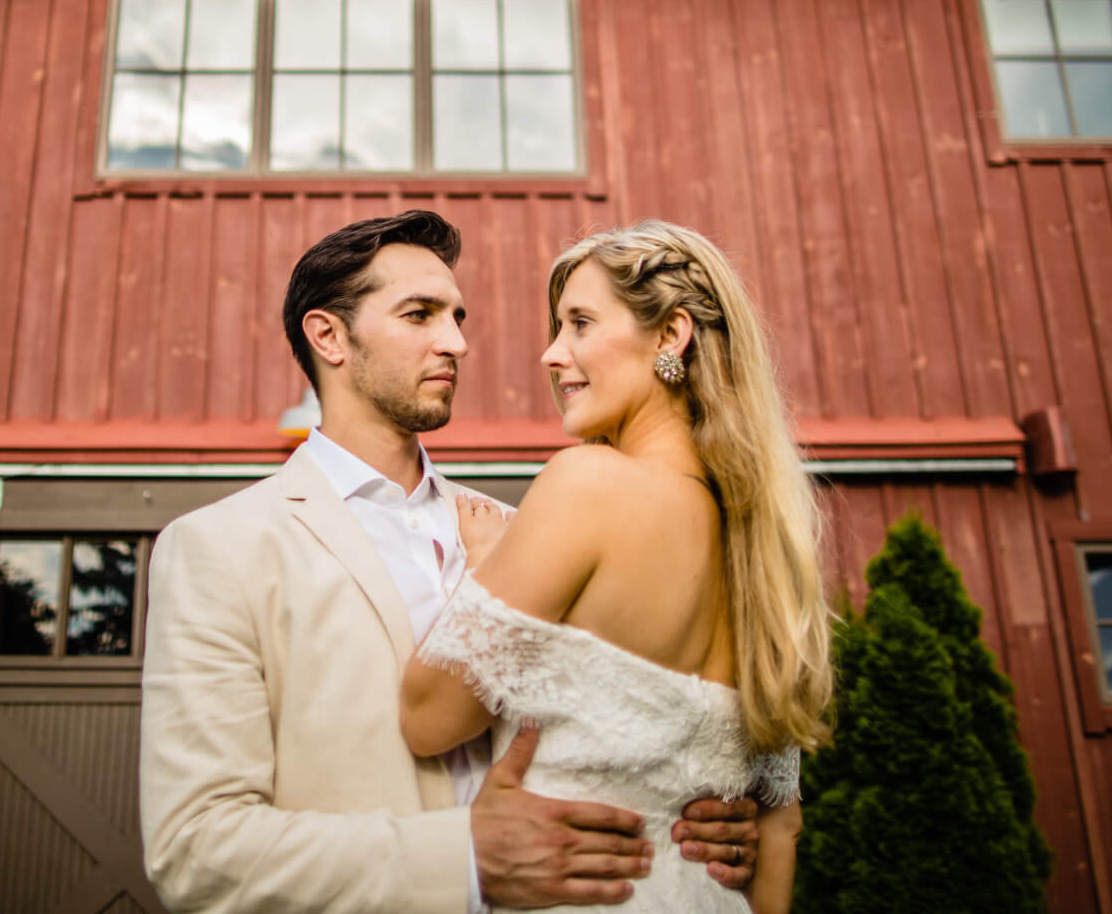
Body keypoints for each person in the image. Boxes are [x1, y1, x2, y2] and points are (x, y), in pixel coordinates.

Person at [139, 210, 763, 913]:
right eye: (420, 314)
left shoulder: (530, 530)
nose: (457, 341)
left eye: (457, 316)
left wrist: (713, 810)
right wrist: (463, 860)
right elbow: (194, 848)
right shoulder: (219, 548)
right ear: (328, 336)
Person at [400, 220, 834, 913]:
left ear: (671, 336)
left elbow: (426, 718)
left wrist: (484, 565)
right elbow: (780, 826)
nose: (551, 353)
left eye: (579, 322)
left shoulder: (588, 485)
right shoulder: (768, 552)